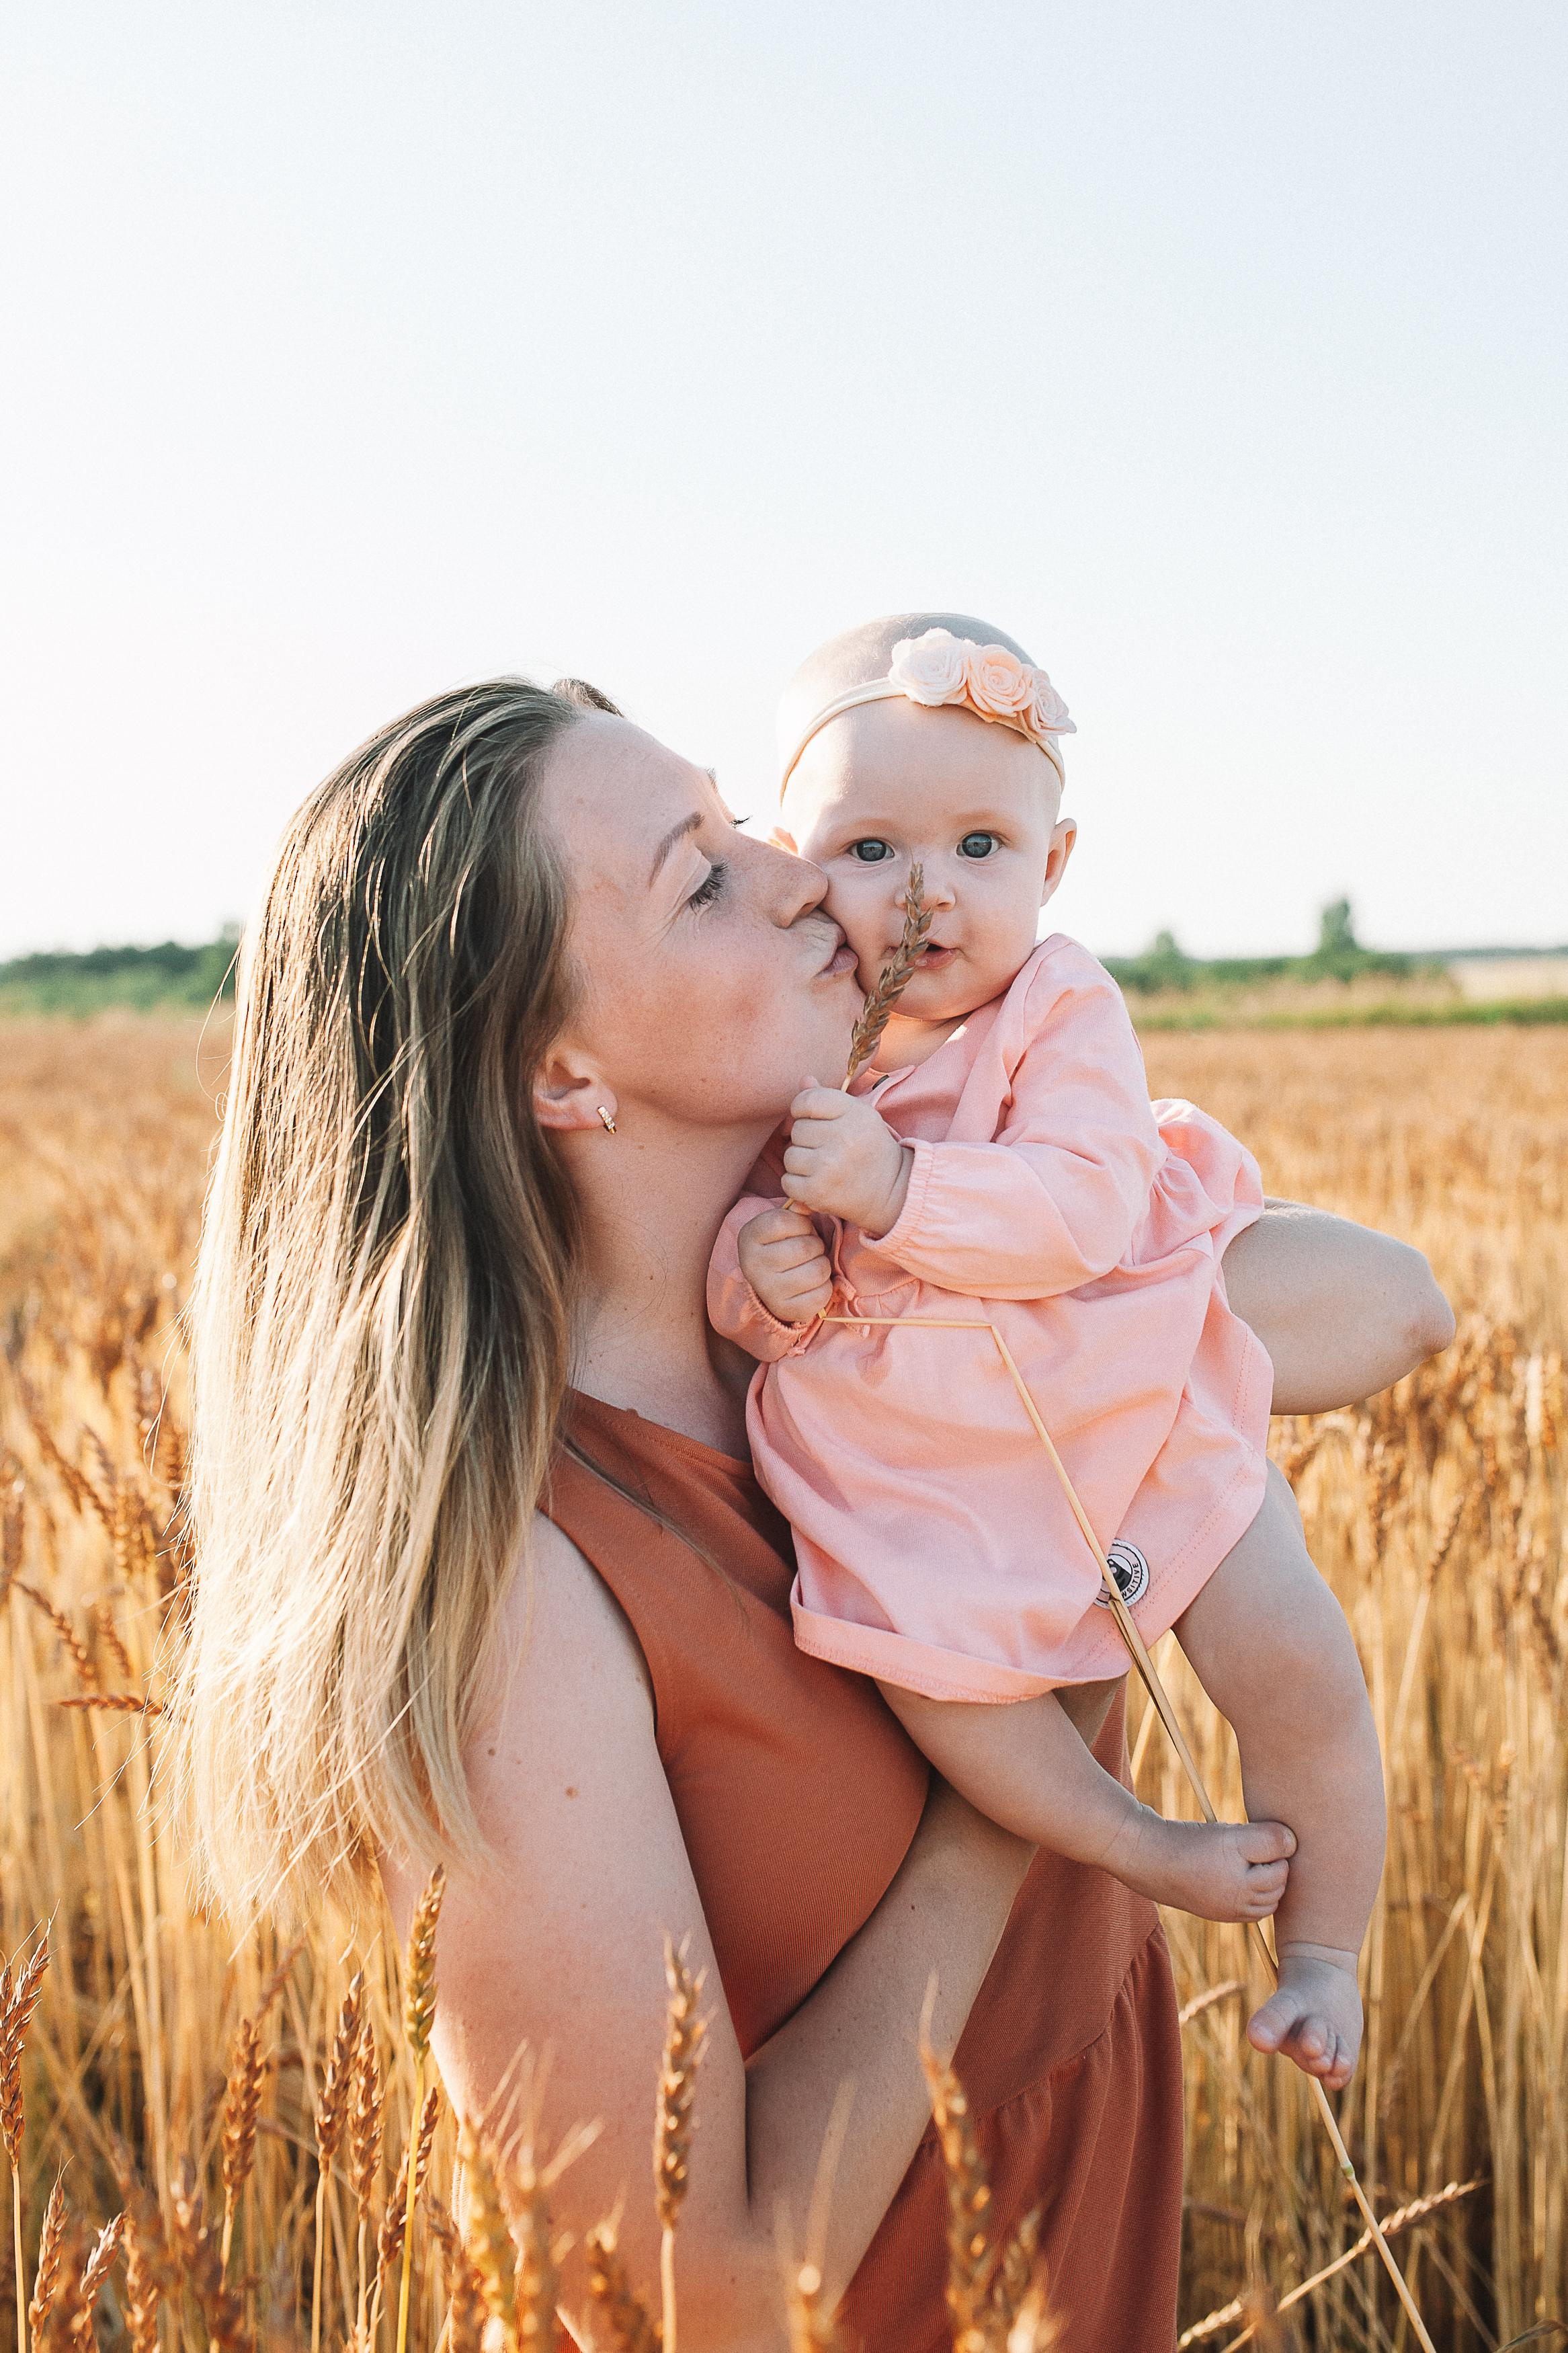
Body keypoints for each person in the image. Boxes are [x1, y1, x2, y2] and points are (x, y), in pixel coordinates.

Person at [177, 674, 1453, 2352]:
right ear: (561, 1070)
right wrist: (1030, 1749)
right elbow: (699, 2303)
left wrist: (1056, 1328)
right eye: (701, 874)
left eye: (745, 822)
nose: (798, 872)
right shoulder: (533, 1595)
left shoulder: (859, 1339)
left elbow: (1386, 1307)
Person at [708, 614, 1398, 2091]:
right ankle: (1144, 1844)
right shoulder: (794, 1028)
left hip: (1117, 1382)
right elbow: (749, 1256)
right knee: (938, 1682)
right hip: (923, 1465)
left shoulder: (1058, 1002)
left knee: (1290, 1648)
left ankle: (1326, 1952)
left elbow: (1085, 1208)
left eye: (978, 847)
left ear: (1054, 867)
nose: (927, 893)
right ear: (789, 855)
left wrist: (895, 1191)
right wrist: (759, 1277)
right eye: (872, 850)